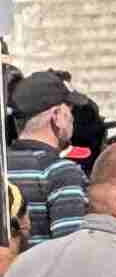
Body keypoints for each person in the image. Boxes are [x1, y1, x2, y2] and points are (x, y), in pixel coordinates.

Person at [6, 70, 88, 239]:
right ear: (57, 117)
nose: (72, 117)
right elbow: (69, 247)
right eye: (69, 109)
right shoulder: (62, 172)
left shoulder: (3, 165)